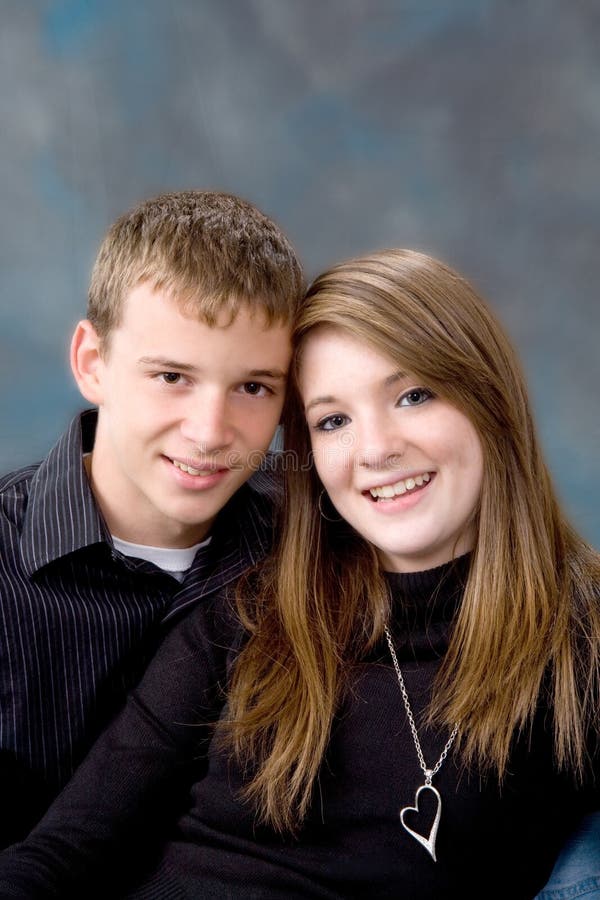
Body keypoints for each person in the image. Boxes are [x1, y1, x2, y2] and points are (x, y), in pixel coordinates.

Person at [0, 248, 598, 898]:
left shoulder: (580, 642)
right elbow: (63, 852)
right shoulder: (254, 609)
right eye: (333, 420)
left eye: (413, 395)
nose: (375, 449)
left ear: (490, 397)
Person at [0, 189, 303, 847]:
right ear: (92, 363)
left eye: (253, 387)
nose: (210, 431)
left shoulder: (311, 538)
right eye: (172, 376)